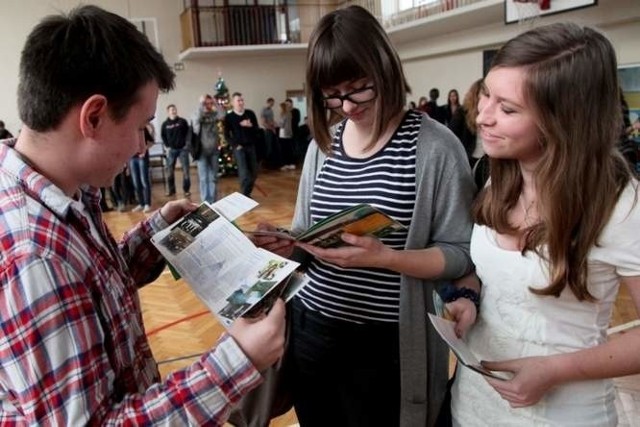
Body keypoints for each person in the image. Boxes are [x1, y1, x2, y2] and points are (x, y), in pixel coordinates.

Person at [0, 5, 286, 424]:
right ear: (93, 116)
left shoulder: (61, 194)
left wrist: (159, 232)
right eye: (141, 127)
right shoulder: (33, 255)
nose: (141, 146)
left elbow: (88, 291)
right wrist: (237, 361)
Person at [252, 5, 476, 426]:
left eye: (358, 89)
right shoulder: (324, 144)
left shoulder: (434, 147)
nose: (346, 106)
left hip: (387, 345)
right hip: (311, 329)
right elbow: (305, 232)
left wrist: (385, 258)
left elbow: (461, 252)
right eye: (332, 96)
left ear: (386, 69)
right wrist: (286, 242)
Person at [450, 22, 640, 426]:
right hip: (476, 403)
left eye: (507, 109)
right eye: (487, 94)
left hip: (564, 412)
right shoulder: (497, 176)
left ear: (563, 120)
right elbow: (490, 275)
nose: (483, 116)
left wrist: (555, 370)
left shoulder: (620, 206)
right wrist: (467, 298)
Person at [224, 92, 260, 197]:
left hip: (251, 146)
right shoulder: (229, 117)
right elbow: (226, 135)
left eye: (242, 100)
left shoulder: (250, 113)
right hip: (239, 148)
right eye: (238, 100)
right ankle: (245, 196)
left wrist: (250, 125)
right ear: (233, 103)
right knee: (244, 173)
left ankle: (247, 192)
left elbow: (257, 129)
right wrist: (235, 145)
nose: (240, 102)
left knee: (254, 172)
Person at [192, 94, 225, 203]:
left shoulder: (214, 114)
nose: (209, 105)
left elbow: (222, 115)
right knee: (203, 178)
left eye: (210, 103)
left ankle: (213, 201)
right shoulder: (198, 113)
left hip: (214, 150)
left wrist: (215, 103)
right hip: (202, 152)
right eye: (207, 103)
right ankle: (205, 202)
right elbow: (195, 126)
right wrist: (201, 105)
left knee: (213, 177)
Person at [448, 79, 484, 167]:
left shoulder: (491, 112)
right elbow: (450, 136)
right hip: (469, 159)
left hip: (487, 159)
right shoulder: (462, 112)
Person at [161, 104, 191, 197]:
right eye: (171, 110)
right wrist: (167, 146)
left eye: (174, 109)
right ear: (168, 112)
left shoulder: (182, 121)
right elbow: (163, 136)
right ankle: (171, 190)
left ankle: (186, 190)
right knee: (169, 171)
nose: (173, 111)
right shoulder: (165, 124)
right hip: (172, 150)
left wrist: (187, 144)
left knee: (186, 170)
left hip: (183, 149)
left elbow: (188, 133)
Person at [129, 123, 154, 213]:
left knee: (144, 181)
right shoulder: (127, 130)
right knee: (136, 182)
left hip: (142, 158)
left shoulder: (142, 129)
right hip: (132, 158)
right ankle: (141, 203)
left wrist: (144, 149)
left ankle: (147, 204)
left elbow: (151, 142)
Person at [260, 97, 281, 169]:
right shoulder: (264, 110)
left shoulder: (271, 110)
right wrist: (271, 128)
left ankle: (273, 164)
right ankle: (266, 163)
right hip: (268, 130)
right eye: (271, 103)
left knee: (274, 146)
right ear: (268, 102)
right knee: (268, 147)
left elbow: (272, 120)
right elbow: (263, 122)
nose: (272, 104)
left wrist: (276, 125)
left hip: (272, 129)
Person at [278, 101, 296, 171]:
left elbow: (281, 125)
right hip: (289, 133)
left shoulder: (284, 114)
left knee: (284, 150)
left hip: (283, 134)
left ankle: (285, 164)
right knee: (289, 149)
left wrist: (276, 124)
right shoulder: (289, 113)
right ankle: (291, 164)